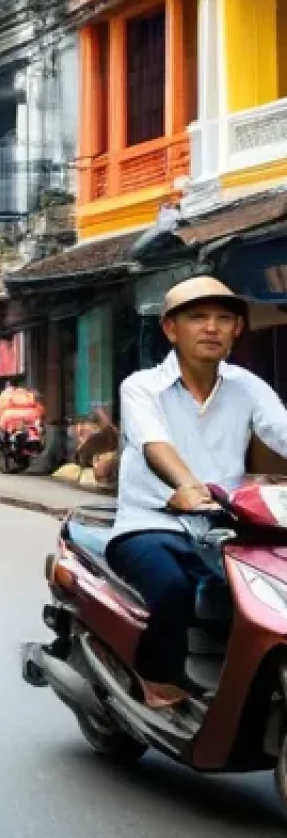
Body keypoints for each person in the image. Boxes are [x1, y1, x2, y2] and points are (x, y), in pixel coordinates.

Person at [107, 275, 287, 708]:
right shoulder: (141, 386)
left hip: (225, 530)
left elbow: (283, 432)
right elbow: (154, 445)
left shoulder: (248, 386)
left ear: (237, 330)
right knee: (172, 591)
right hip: (150, 525)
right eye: (198, 318)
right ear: (171, 329)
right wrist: (186, 486)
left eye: (224, 319)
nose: (212, 328)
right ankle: (155, 674)